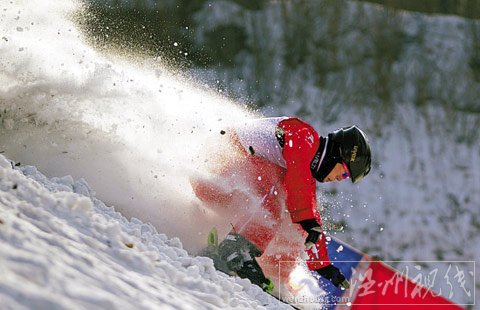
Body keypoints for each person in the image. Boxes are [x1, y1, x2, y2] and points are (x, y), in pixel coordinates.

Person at [192, 116, 371, 293]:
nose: (340, 179)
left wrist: (322, 265)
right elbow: (297, 184)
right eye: (346, 173)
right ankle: (234, 252)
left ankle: (276, 276)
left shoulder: (305, 168)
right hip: (218, 165)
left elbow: (311, 218)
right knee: (275, 205)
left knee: (292, 223)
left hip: (231, 180)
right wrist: (308, 221)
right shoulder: (304, 136)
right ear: (338, 155)